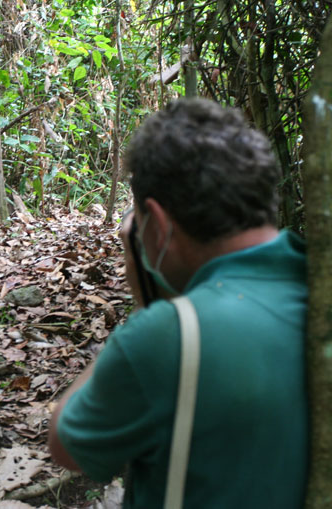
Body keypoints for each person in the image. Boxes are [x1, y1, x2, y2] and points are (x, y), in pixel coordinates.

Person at [48, 98, 308, 507]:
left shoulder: (168, 336)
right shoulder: (316, 285)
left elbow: (68, 444)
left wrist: (146, 305)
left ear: (159, 223)